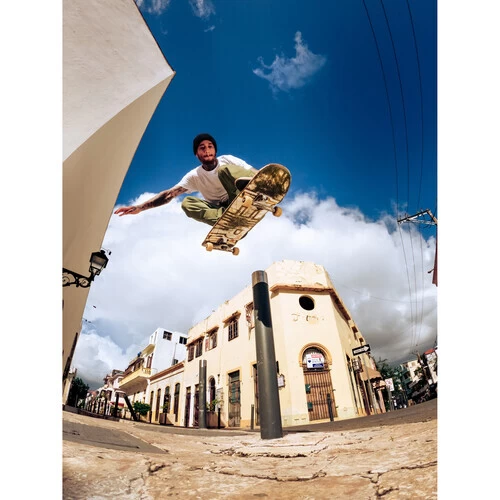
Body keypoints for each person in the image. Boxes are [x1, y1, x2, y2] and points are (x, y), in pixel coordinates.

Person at [114, 133, 258, 226]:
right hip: (223, 210)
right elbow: (169, 195)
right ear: (197, 154)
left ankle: (257, 190)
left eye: (210, 147)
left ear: (215, 151)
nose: (207, 150)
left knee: (224, 170)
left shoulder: (227, 159)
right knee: (187, 203)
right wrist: (140, 208)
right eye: (202, 148)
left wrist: (268, 180)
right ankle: (226, 221)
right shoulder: (194, 176)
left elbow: (252, 171)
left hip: (241, 196)